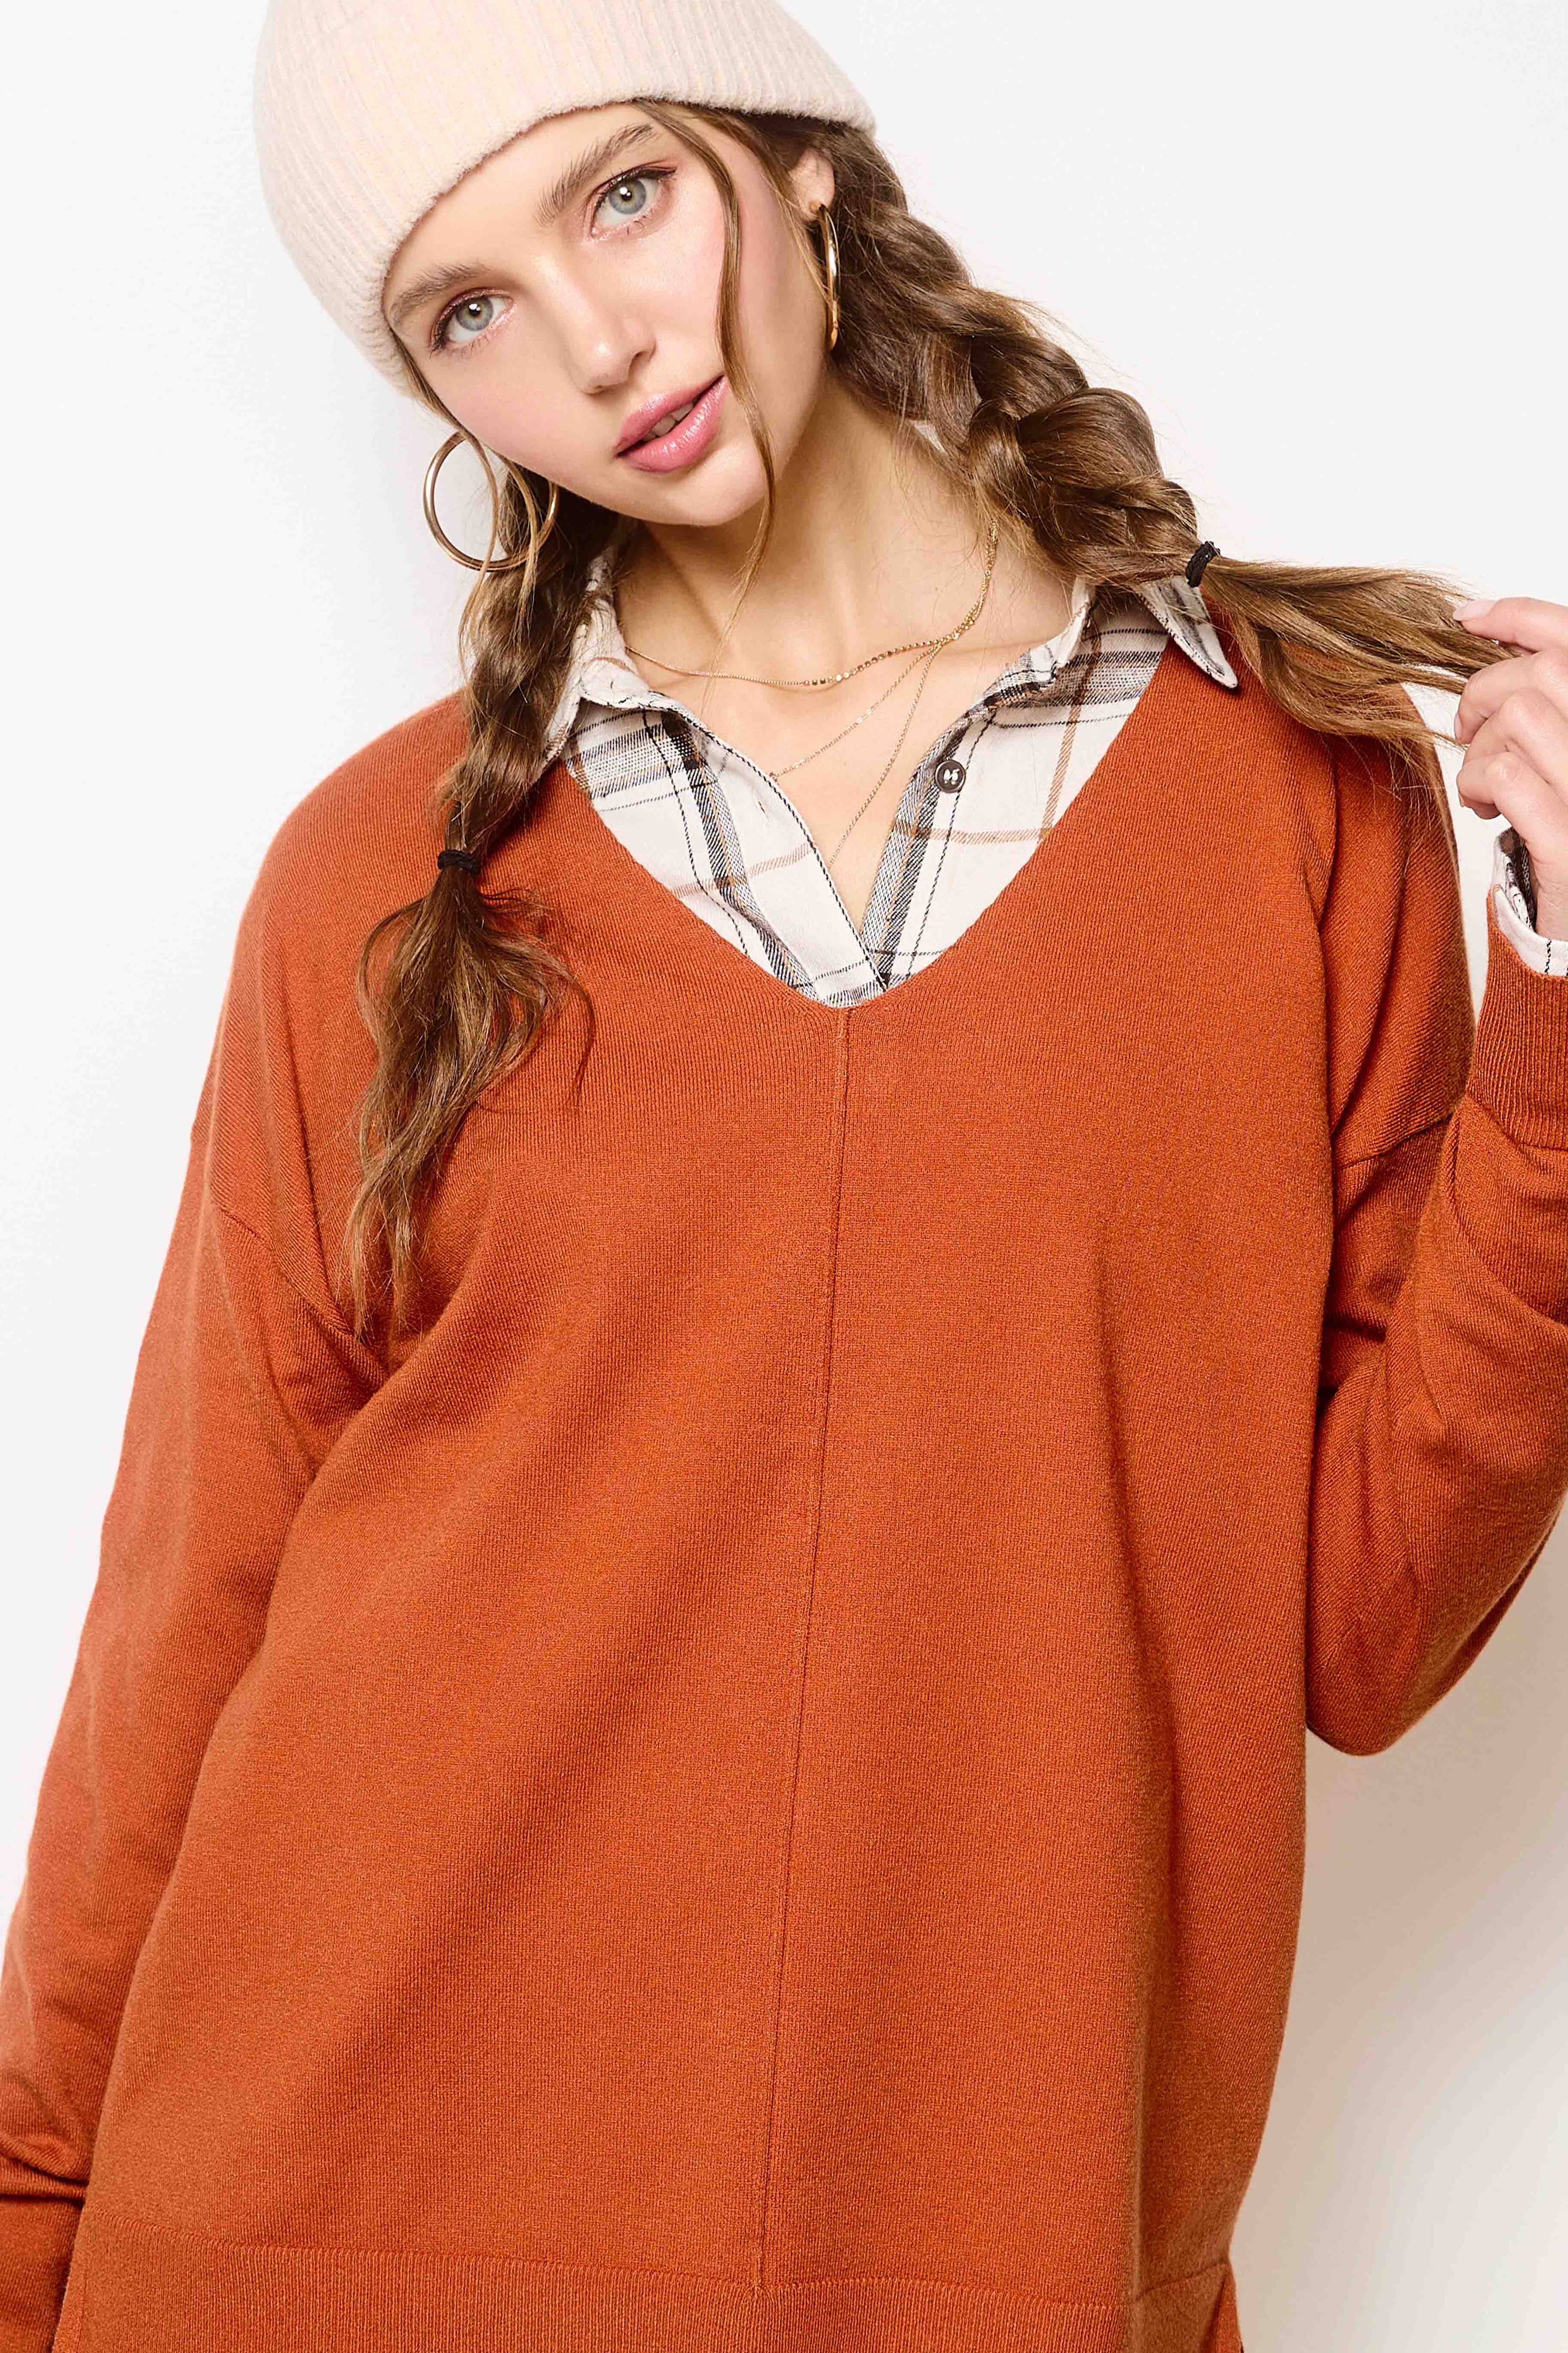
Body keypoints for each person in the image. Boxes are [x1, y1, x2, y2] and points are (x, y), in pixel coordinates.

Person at [3, 0, 1567, 2347]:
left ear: (799, 159)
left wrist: (1559, 1007)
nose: (595, 341)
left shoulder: (1288, 795)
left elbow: (1355, 1625)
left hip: (982, 2256)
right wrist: (23, 2225)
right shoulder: (378, 882)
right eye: (468, 310)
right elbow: (185, 1622)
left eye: (623, 194)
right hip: (323, 2243)